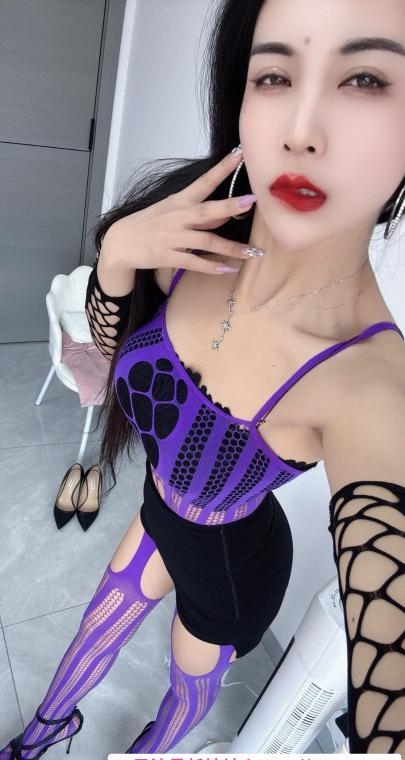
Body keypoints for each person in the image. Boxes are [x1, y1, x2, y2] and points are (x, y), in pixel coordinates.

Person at [2, 0, 405, 757]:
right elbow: (111, 365)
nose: (301, 129)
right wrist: (116, 258)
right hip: (162, 509)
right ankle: (43, 732)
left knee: (185, 685)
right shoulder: (191, 241)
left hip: (230, 569)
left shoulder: (373, 383)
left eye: (364, 79)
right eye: (274, 75)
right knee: (96, 626)